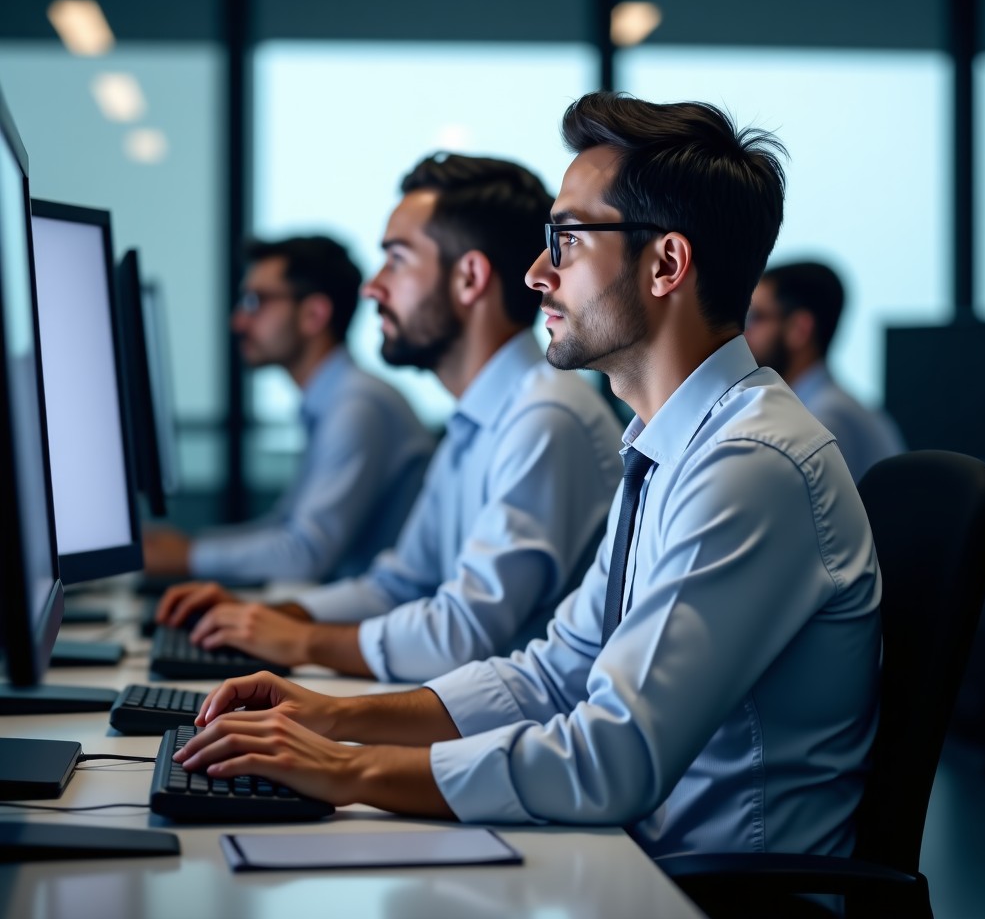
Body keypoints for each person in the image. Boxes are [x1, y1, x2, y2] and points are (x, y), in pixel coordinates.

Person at [173, 94, 882, 864]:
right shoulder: (667, 448)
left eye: (567, 240)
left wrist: (347, 769)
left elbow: (612, 759)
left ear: (667, 264)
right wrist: (332, 720)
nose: (539, 273)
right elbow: (552, 674)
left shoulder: (751, 464)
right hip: (630, 860)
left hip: (709, 891)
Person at [156, 153, 624, 683]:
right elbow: (400, 584)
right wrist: (273, 617)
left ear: (469, 278)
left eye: (397, 260)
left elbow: (463, 634)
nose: (372, 287)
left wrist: (301, 640)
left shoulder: (544, 419)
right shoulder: (478, 419)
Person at [143, 236, 434, 584]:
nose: (238, 321)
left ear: (314, 314)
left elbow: (305, 552)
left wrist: (188, 556)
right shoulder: (333, 401)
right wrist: (190, 546)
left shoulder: (357, 405)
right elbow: (285, 524)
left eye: (256, 301)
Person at [744, 260, 904, 483]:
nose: (743, 333)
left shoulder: (825, 419)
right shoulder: (829, 407)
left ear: (799, 329)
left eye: (755, 318)